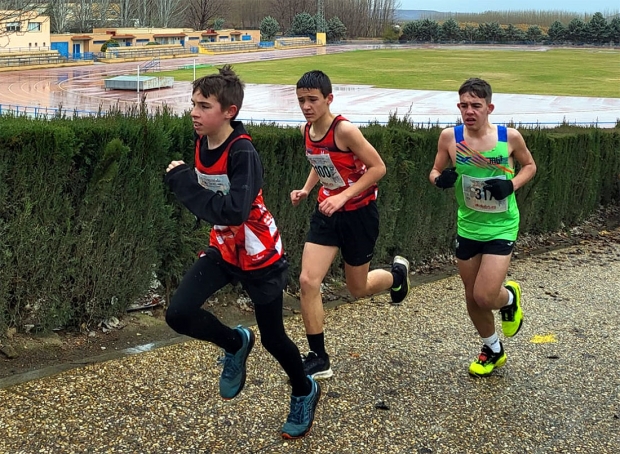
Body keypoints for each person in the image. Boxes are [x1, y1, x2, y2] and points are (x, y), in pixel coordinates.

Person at [164, 65, 320, 439]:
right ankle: (235, 343)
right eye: (193, 104)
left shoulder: (243, 152)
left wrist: (184, 183)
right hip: (223, 248)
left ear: (228, 111)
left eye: (203, 106)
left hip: (258, 253)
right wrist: (191, 183)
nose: (194, 112)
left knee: (274, 338)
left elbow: (234, 209)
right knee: (179, 314)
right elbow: (216, 204)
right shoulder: (203, 141)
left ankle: (304, 390)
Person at [290, 70, 411, 380]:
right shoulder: (308, 130)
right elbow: (321, 163)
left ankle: (397, 275)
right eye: (301, 100)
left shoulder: (344, 131)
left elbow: (378, 168)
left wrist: (343, 197)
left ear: (329, 99)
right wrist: (306, 189)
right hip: (327, 213)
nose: (306, 106)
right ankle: (319, 357)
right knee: (307, 281)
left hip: (359, 214)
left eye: (312, 100)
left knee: (357, 288)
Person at [430, 77, 537, 377]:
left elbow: (530, 166)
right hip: (468, 226)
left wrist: (512, 185)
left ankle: (510, 298)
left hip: (502, 225)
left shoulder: (509, 137)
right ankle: (493, 348)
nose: (469, 111)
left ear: (489, 107)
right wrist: (440, 180)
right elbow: (435, 170)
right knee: (471, 295)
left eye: (476, 105)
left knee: (486, 295)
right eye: (464, 105)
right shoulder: (449, 138)